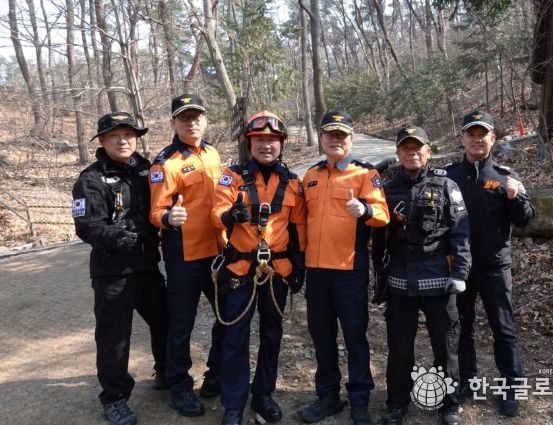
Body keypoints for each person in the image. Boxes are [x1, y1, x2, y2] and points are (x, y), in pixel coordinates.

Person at [72, 112, 169, 425]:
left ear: (136, 138)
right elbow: (86, 226)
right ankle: (114, 398)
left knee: (166, 322)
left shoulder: (147, 169)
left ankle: (167, 372)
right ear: (102, 141)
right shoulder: (90, 179)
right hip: (112, 273)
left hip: (148, 267)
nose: (123, 140)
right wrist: (117, 237)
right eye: (114, 135)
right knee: (114, 339)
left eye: (128, 134)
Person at [211, 111, 307, 425]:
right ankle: (233, 405)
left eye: (272, 140)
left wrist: (300, 264)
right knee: (235, 336)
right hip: (240, 270)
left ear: (281, 143)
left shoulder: (293, 182)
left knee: (272, 333)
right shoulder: (232, 176)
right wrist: (230, 216)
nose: (266, 145)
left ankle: (263, 394)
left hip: (277, 270)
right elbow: (217, 210)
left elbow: (299, 226)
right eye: (260, 140)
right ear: (249, 143)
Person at [371, 125, 471, 425]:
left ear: (428, 151)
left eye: (417, 147)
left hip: (439, 278)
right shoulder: (387, 189)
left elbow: (461, 232)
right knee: (399, 348)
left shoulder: (447, 186)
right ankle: (396, 403)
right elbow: (379, 236)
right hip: (400, 280)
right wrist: (379, 274)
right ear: (398, 152)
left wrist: (460, 271)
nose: (412, 153)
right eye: (406, 147)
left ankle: (450, 404)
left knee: (445, 346)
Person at [301, 110, 389, 425]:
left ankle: (360, 401)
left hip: (349, 271)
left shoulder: (364, 173)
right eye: (330, 134)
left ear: (351, 139)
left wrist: (364, 209)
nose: (335, 139)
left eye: (342, 135)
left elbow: (383, 215)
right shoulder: (310, 175)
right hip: (316, 273)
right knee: (321, 336)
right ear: (322, 138)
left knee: (354, 338)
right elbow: (302, 221)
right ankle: (328, 396)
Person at [446, 110, 535, 417]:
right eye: (471, 134)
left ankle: (511, 387)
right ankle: (467, 381)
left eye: (482, 134)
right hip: (460, 268)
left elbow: (525, 219)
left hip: (495, 267)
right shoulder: (449, 177)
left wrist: (514, 197)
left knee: (504, 330)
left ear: (493, 139)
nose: (476, 139)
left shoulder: (505, 176)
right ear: (462, 138)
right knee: (462, 328)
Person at [149, 93, 224, 417]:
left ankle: (216, 374)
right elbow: (155, 211)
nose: (191, 122)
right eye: (184, 118)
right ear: (173, 123)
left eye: (196, 117)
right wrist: (169, 217)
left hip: (219, 252)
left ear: (204, 120)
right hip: (185, 255)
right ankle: (179, 386)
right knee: (182, 324)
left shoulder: (213, 153)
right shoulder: (165, 163)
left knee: (227, 316)